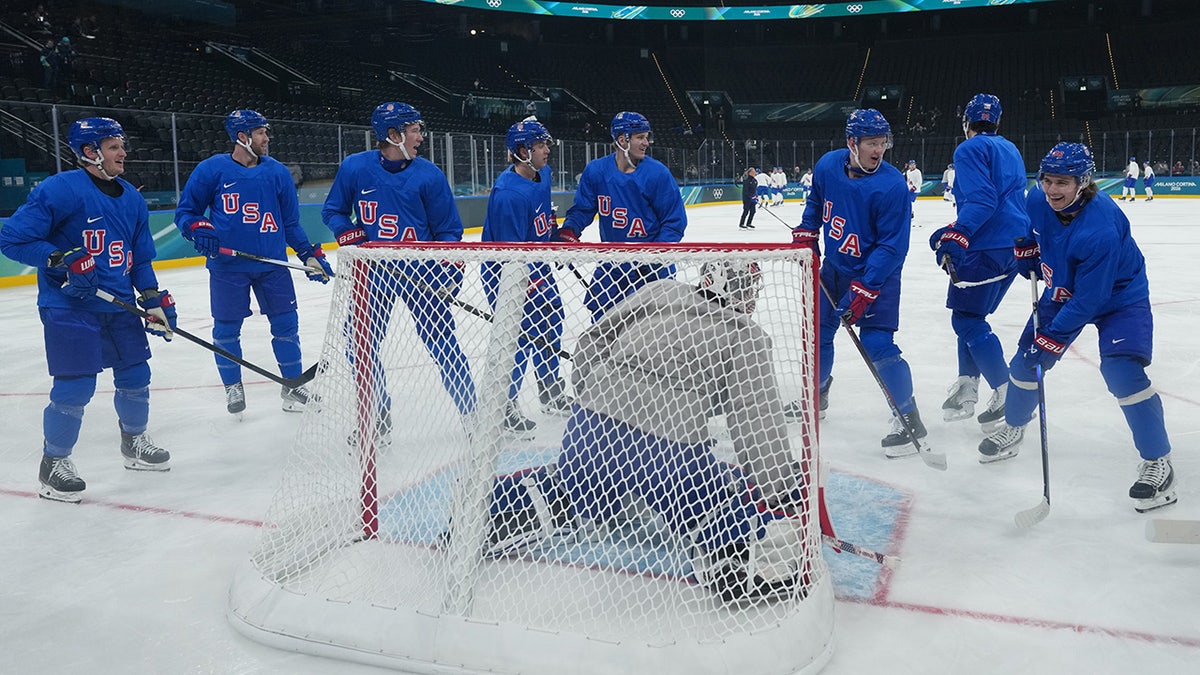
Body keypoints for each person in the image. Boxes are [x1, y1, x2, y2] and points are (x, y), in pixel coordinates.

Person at [484, 262, 807, 602]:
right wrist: (779, 488)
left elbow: (593, 340)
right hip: (667, 451)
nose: (751, 295)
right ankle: (731, 564)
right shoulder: (746, 334)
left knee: (571, 489)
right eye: (749, 286)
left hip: (591, 429)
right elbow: (756, 419)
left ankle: (484, 508)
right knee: (715, 504)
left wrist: (593, 390)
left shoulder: (660, 290)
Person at [978, 142, 1176, 513]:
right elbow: (1026, 224)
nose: (1052, 189)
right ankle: (1015, 426)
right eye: (1048, 180)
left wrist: (1051, 339)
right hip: (1063, 287)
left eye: (1063, 182)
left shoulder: (1101, 226)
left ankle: (1157, 461)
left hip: (1119, 297)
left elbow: (1091, 299)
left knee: (1122, 372)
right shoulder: (1037, 198)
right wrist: (1026, 248)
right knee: (1024, 362)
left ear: (1083, 182)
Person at [0, 117, 175, 503]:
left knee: (135, 375)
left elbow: (140, 258)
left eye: (121, 146)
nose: (123, 153)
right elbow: (10, 238)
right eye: (114, 146)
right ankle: (54, 464)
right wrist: (59, 257)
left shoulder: (131, 197)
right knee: (76, 386)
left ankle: (134, 443)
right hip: (69, 304)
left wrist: (152, 299)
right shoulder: (60, 190)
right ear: (90, 152)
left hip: (118, 303)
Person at [322, 101, 477, 434]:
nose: (420, 136)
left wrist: (449, 269)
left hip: (422, 275)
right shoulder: (355, 168)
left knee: (444, 344)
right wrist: (344, 230)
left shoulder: (429, 175)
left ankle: (471, 416)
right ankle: (377, 413)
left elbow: (448, 231)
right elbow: (333, 211)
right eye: (414, 129)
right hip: (373, 275)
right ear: (392, 135)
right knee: (359, 344)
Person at [785, 109, 926, 455]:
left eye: (883, 143)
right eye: (872, 143)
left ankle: (909, 420)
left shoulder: (892, 185)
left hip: (877, 276)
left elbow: (893, 245)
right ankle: (816, 394)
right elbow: (817, 200)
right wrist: (808, 228)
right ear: (852, 142)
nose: (879, 150)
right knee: (819, 335)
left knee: (877, 345)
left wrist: (867, 285)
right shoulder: (828, 165)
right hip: (835, 269)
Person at [174, 109, 331, 418]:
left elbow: (290, 223)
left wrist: (308, 254)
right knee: (227, 329)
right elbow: (186, 212)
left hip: (273, 265)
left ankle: (292, 384)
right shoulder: (211, 170)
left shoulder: (278, 173)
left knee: (287, 325)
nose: (267, 137)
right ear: (242, 137)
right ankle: (233, 385)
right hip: (227, 266)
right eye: (261, 132)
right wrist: (197, 228)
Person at [929, 93, 1028, 430]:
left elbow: (983, 201)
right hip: (1012, 246)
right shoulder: (1010, 148)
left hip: (985, 245)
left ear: (966, 122)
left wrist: (958, 234)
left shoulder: (969, 148)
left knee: (966, 323)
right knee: (970, 315)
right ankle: (967, 388)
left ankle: (1007, 390)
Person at [481, 117, 572, 437]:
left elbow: (544, 213)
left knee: (552, 321)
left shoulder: (541, 173)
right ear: (522, 151)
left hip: (537, 262)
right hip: (506, 271)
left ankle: (550, 389)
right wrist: (532, 282)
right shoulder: (508, 194)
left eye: (547, 143)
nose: (548, 150)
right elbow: (510, 253)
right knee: (519, 336)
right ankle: (504, 405)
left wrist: (554, 234)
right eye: (540, 145)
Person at [555, 111, 687, 320]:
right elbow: (583, 209)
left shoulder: (658, 174)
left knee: (653, 333)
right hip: (613, 263)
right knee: (602, 326)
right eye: (640, 137)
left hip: (653, 267)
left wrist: (651, 258)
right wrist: (570, 229)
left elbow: (674, 222)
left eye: (646, 137)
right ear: (622, 139)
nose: (646, 143)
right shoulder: (596, 171)